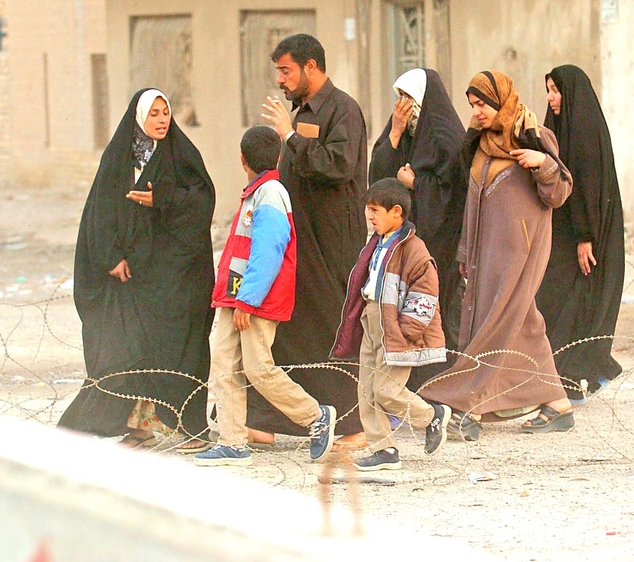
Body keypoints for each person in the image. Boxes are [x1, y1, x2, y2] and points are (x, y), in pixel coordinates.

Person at [418, 71, 576, 435]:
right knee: (521, 322)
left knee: (496, 322)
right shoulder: (480, 144)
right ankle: (557, 403)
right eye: (473, 105)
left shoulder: (534, 135)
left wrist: (544, 165)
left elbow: (560, 193)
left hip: (521, 250)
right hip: (484, 252)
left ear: (502, 100)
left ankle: (466, 407)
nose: (478, 112)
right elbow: (471, 202)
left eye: (484, 104)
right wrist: (465, 251)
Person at [58, 88, 215, 450]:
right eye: (154, 114)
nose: (162, 120)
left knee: (180, 350)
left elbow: (202, 202)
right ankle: (138, 426)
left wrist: (165, 199)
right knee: (130, 350)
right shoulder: (118, 159)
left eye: (166, 113)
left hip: (175, 278)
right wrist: (111, 256)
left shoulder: (182, 155)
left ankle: (190, 429)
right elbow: (99, 211)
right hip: (133, 279)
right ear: (138, 118)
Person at [195, 126, 337, 467]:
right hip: (236, 297)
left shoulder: (270, 193)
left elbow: (268, 252)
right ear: (277, 157)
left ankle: (315, 416)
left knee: (258, 368)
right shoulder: (256, 192)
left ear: (242, 159)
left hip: (253, 301)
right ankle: (233, 441)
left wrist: (248, 301)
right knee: (223, 361)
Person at [255, 34, 367, 449]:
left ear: (312, 67)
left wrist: (290, 137)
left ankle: (355, 428)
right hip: (300, 240)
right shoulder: (302, 110)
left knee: (333, 331)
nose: (281, 81)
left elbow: (338, 166)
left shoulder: (344, 110)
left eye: (286, 71)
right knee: (296, 328)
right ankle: (285, 420)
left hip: (333, 243)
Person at [330, 178, 452, 470]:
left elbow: (426, 293)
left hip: (395, 328)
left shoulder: (413, 249)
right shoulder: (377, 243)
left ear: (397, 212)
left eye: (375, 210)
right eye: (368, 210)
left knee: (386, 390)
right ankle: (383, 450)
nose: (370, 216)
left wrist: (408, 329)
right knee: (368, 391)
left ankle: (431, 416)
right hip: (372, 321)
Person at [369, 68, 466, 389]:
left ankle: (442, 384)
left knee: (432, 311)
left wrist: (416, 183)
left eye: (409, 99)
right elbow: (379, 177)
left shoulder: (446, 137)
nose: (403, 106)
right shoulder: (406, 133)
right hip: (407, 240)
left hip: (440, 243)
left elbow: (452, 193)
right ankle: (410, 387)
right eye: (399, 98)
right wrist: (395, 133)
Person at [536, 65, 624, 403]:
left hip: (582, 236)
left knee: (571, 301)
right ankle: (568, 373)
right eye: (548, 90)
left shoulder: (584, 130)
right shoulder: (559, 130)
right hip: (563, 234)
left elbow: (587, 186)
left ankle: (574, 374)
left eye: (556, 91)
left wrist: (584, 236)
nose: (551, 98)